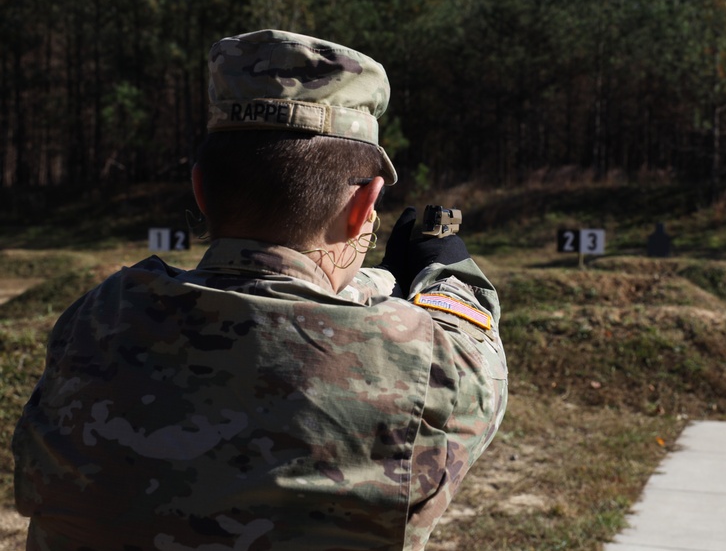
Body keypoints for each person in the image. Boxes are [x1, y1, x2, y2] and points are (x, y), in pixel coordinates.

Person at [12, 29, 508, 551]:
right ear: (365, 206)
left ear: (201, 189)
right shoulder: (424, 367)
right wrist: (447, 269)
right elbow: (478, 358)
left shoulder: (95, 322)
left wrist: (373, 280)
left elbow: (262, 284)